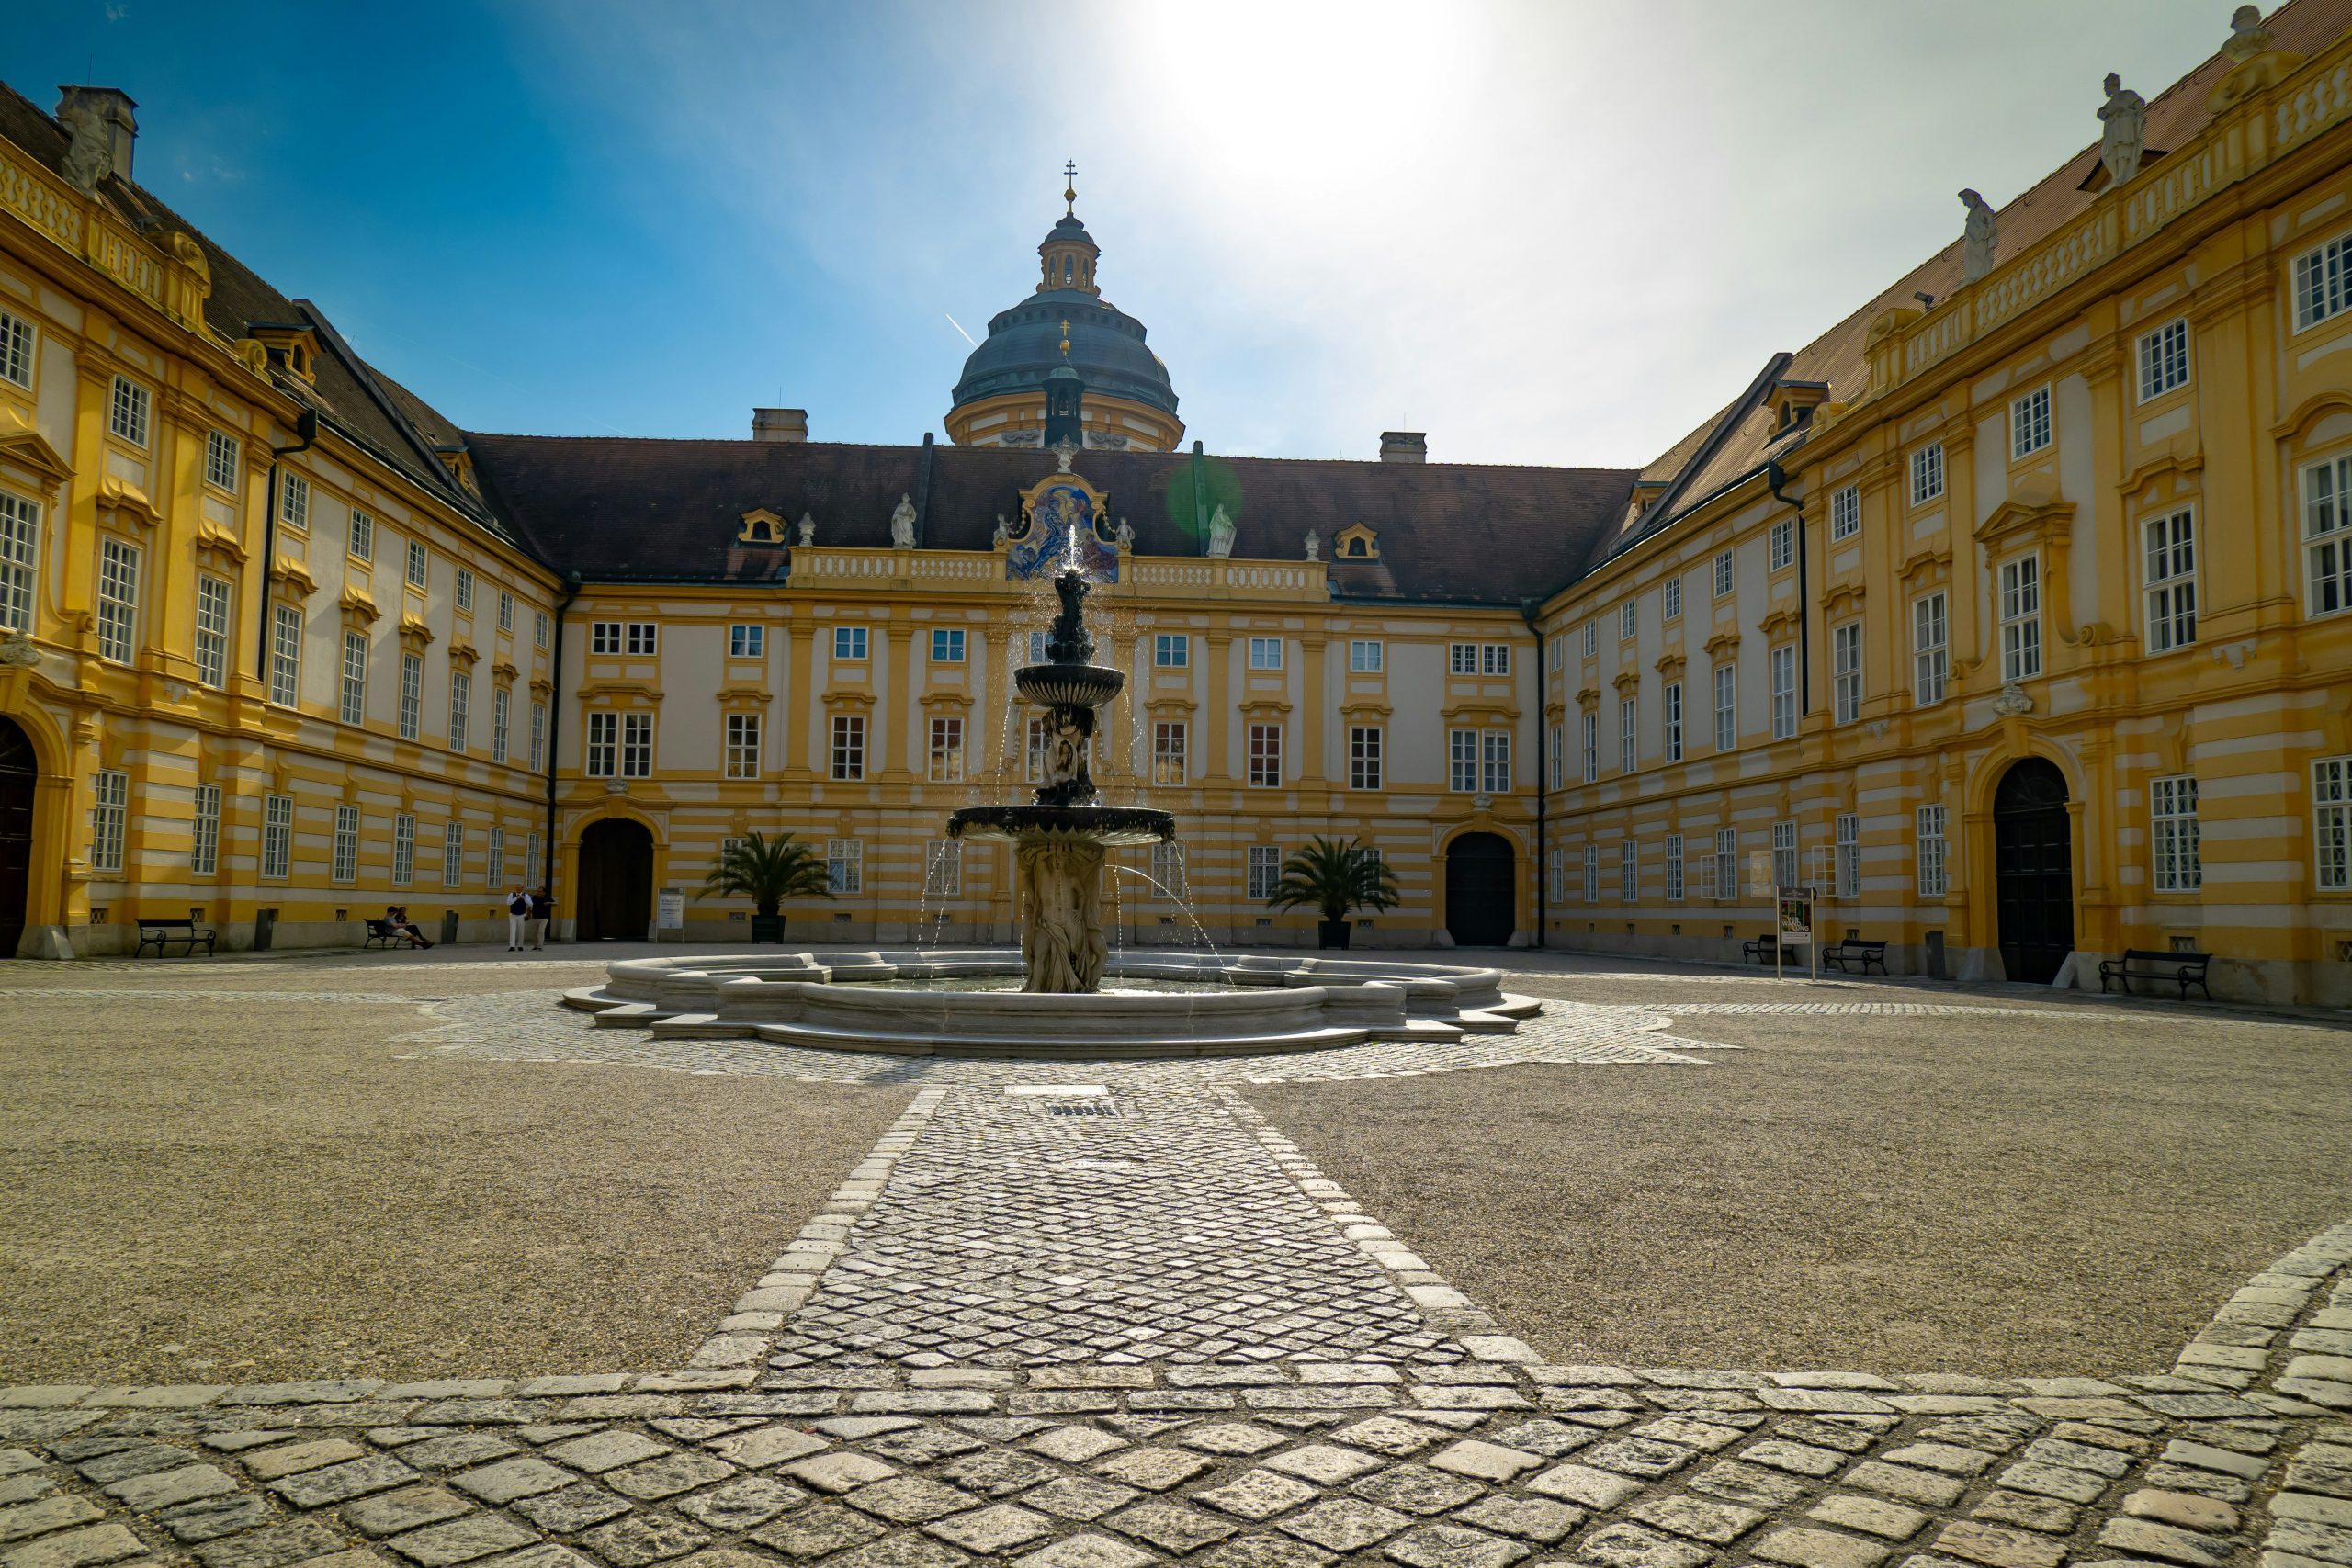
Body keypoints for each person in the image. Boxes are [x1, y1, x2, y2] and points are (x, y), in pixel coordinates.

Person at [525, 886, 552, 951]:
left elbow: (556, 903)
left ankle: (540, 946)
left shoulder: (547, 898)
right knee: (535, 933)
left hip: (543, 918)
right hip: (535, 917)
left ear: (544, 892)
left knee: (541, 932)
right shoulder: (534, 897)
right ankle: (535, 946)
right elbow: (529, 906)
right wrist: (528, 915)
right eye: (538, 891)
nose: (538, 892)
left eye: (540, 891)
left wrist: (549, 903)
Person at [505, 887, 530, 951]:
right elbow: (508, 903)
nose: (519, 889)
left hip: (522, 915)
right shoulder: (511, 894)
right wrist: (516, 898)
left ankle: (520, 945)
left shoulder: (526, 895)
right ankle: (512, 946)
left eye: (521, 887)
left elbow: (531, 904)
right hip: (513, 915)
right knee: (512, 930)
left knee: (521, 931)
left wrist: (524, 899)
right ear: (516, 888)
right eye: (518, 887)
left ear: (522, 888)